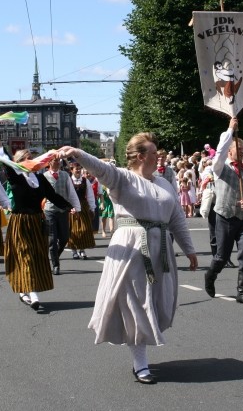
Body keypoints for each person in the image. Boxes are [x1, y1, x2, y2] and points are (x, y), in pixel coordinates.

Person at [57, 133, 198, 385]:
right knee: (135, 302)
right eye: (154, 153)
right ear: (141, 156)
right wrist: (78, 154)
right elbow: (101, 169)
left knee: (155, 301)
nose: (159, 157)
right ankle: (140, 363)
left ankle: (142, 352)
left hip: (161, 247)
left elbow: (176, 216)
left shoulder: (164, 183)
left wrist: (189, 249)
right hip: (133, 248)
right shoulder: (122, 178)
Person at [0, 131, 72, 311]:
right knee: (25, 256)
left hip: (36, 222)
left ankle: (26, 290)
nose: (31, 160)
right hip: (21, 222)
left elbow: (52, 196)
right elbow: (4, 159)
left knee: (35, 257)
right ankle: (32, 295)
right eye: (27, 158)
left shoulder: (39, 179)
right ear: (19, 163)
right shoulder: (15, 176)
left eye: (31, 158)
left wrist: (69, 206)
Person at [204, 117, 243, 305]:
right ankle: (210, 276)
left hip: (242, 218)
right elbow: (219, 152)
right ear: (230, 151)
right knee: (222, 256)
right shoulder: (220, 167)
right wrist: (230, 130)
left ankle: (242, 292)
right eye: (239, 149)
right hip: (225, 216)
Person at [43, 157, 81, 275]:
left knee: (64, 238)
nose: (58, 162)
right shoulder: (44, 176)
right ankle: (56, 265)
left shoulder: (65, 175)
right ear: (49, 162)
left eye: (59, 160)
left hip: (63, 210)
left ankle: (55, 256)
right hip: (49, 210)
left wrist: (77, 208)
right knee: (52, 239)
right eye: (55, 160)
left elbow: (71, 192)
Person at [68, 162, 96, 259]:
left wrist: (92, 208)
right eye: (76, 169)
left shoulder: (85, 181)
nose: (78, 170)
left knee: (84, 229)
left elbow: (90, 195)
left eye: (79, 168)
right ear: (72, 170)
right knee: (73, 229)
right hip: (72, 207)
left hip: (83, 206)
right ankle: (74, 251)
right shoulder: (68, 181)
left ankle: (82, 249)